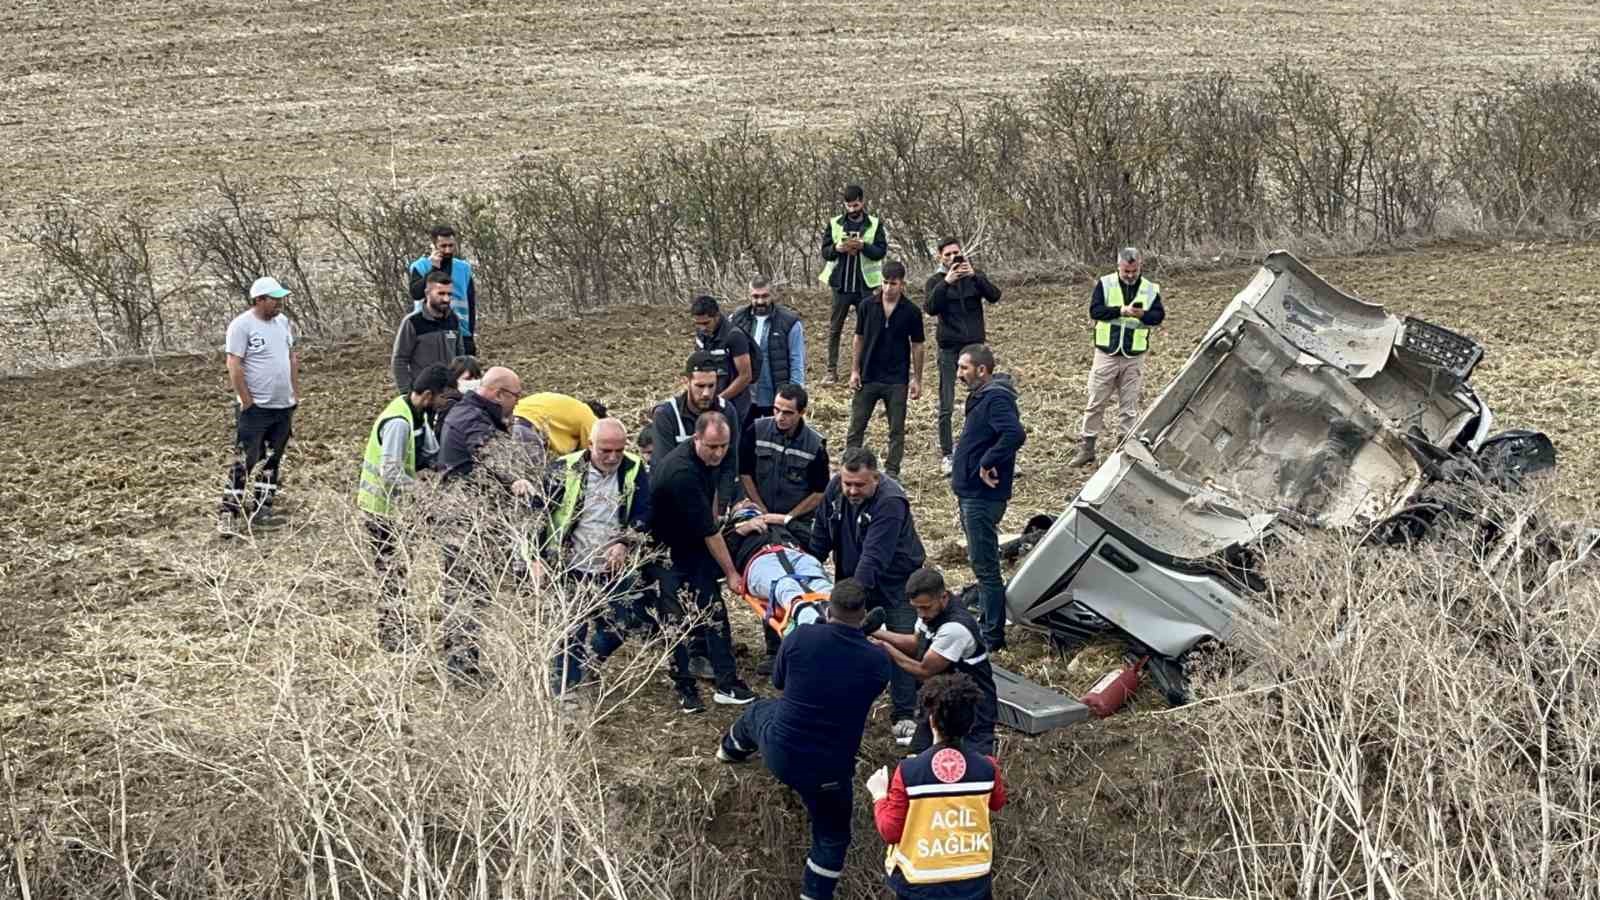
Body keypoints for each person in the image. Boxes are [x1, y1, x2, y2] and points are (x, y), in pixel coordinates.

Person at [717, 578, 894, 900]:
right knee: (832, 838)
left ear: (828, 609)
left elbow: (779, 682)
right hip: (831, 770)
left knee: (758, 712)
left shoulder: (801, 637)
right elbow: (862, 685)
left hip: (781, 751)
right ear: (864, 613)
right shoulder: (878, 661)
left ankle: (729, 751)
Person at [809, 447, 927, 745]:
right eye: (847, 483)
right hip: (852, 576)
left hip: (896, 582)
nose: (851, 490)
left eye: (859, 485)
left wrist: (846, 603)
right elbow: (822, 532)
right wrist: (808, 570)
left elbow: (875, 557)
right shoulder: (836, 488)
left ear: (876, 477)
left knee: (900, 643)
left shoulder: (891, 501)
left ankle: (903, 715)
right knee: (850, 640)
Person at [534, 418, 653, 696]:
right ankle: (567, 692)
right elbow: (537, 517)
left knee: (624, 622)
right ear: (590, 445)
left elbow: (645, 512)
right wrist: (537, 558)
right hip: (570, 563)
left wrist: (625, 542)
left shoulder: (634, 469)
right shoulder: (564, 469)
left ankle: (590, 659)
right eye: (605, 451)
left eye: (618, 451)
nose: (612, 458)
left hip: (612, 567)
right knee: (569, 632)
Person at [649, 411, 757, 712]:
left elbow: (709, 513)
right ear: (696, 439)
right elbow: (710, 532)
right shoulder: (681, 472)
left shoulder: (707, 460)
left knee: (713, 611)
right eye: (712, 446)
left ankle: (726, 683)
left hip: (691, 545)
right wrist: (732, 573)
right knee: (675, 620)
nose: (719, 453)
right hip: (664, 552)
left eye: (724, 446)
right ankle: (685, 688)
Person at [434, 366, 537, 683]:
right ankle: (460, 666)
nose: (517, 404)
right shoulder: (472, 419)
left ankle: (461, 658)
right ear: (498, 393)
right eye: (515, 397)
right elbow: (489, 452)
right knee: (467, 592)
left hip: (466, 518)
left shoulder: (472, 412)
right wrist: (516, 478)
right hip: (465, 523)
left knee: (468, 592)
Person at [869, 672, 1007, 900]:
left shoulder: (909, 771)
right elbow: (997, 802)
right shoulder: (988, 768)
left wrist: (879, 795)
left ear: (931, 720)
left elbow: (890, 831)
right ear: (971, 723)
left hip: (921, 884)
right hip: (973, 883)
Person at [355, 363, 453, 651]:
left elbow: (430, 452)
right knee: (390, 573)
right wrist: (421, 490)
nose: (443, 404)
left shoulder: (416, 413)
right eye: (441, 399)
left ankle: (400, 628)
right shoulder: (399, 422)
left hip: (396, 509)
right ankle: (390, 636)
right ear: (426, 395)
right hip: (381, 509)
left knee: (400, 572)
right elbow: (391, 472)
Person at [867, 568, 999, 757]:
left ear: (943, 597)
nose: (920, 614)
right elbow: (916, 644)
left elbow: (924, 671)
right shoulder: (931, 613)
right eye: (916, 608)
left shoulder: (954, 629)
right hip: (939, 701)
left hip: (970, 709)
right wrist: (875, 631)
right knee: (919, 756)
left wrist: (885, 648)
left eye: (925, 607)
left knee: (969, 766)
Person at [949, 344, 1025, 651]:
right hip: (971, 492)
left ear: (982, 369)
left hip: (982, 496)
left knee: (986, 567)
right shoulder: (983, 395)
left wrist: (987, 462)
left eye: (964, 368)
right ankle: (988, 622)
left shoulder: (995, 398)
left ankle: (992, 635)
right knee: (980, 563)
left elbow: (1014, 434)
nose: (959, 374)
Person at [1069, 246, 1166, 467]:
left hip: (1134, 355)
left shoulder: (1150, 289)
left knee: (1129, 406)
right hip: (1106, 353)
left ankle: (1124, 449)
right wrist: (1120, 311)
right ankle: (1087, 449)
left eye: (1134, 271)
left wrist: (1144, 315)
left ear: (1139, 266)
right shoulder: (1106, 284)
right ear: (1118, 267)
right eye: (1126, 272)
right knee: (1095, 402)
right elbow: (1095, 311)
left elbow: (1158, 316)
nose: (1130, 275)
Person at [218, 276, 300, 536]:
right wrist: (247, 401)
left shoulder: (283, 323)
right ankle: (229, 511)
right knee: (246, 459)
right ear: (259, 299)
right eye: (274, 299)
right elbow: (234, 364)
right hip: (256, 408)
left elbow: (291, 357)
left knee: (273, 458)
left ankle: (263, 509)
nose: (279, 303)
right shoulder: (241, 326)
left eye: (280, 298)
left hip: (282, 405)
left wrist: (294, 393)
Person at [923, 238, 1002, 476]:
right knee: (946, 403)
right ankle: (948, 453)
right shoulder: (935, 281)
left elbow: (994, 296)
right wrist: (947, 283)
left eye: (956, 253)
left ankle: (988, 450)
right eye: (947, 255)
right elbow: (930, 308)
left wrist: (975, 276)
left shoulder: (974, 276)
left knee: (986, 400)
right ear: (940, 257)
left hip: (975, 347)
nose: (953, 258)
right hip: (949, 349)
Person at [848, 261, 925, 479]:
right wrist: (854, 370)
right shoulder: (866, 305)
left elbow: (918, 345)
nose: (889, 288)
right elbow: (858, 338)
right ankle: (851, 467)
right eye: (885, 282)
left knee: (896, 430)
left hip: (897, 378)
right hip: (868, 375)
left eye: (893, 283)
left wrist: (917, 379)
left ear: (902, 284)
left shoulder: (911, 311)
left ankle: (892, 472)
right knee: (857, 426)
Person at [722, 503, 834, 638]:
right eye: (740, 504)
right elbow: (720, 560)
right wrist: (741, 531)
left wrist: (786, 521)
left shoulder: (777, 523)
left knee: (819, 582)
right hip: (760, 560)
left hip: (795, 553)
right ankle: (810, 620)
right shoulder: (729, 532)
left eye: (750, 501)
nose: (746, 500)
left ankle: (836, 616)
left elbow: (814, 540)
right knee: (784, 585)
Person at [739, 383, 828, 547]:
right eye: (776, 410)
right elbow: (745, 473)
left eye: (787, 413)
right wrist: (761, 508)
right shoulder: (756, 431)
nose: (780, 417)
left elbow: (819, 492)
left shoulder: (815, 446)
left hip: (797, 521)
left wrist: (788, 518)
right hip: (758, 513)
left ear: (802, 412)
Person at [651, 351, 742, 512]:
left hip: (716, 498)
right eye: (700, 386)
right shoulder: (667, 415)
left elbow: (730, 464)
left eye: (711, 385)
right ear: (686, 381)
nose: (706, 393)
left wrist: (720, 507)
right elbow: (663, 468)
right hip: (679, 498)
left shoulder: (727, 411)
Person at [818, 184, 889, 382]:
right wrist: (838, 248)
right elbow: (825, 251)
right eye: (849, 206)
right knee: (835, 328)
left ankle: (867, 367)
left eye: (856, 205)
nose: (852, 209)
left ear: (862, 202)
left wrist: (863, 246)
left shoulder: (875, 224)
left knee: (869, 327)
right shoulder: (834, 223)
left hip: (864, 286)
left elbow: (880, 252)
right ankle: (831, 370)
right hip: (841, 285)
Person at [729, 276, 806, 423]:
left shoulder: (789, 322)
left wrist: (794, 396)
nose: (760, 301)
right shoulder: (736, 319)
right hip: (745, 397)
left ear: (773, 294)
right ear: (749, 295)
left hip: (776, 397)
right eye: (755, 296)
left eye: (765, 296)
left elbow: (797, 360)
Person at [408, 224, 478, 355]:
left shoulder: (464, 268)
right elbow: (416, 293)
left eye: (451, 246)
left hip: (460, 331)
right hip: (428, 332)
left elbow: (471, 302)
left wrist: (470, 334)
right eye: (443, 246)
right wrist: (434, 269)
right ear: (434, 246)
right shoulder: (420, 266)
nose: (447, 250)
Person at [391, 271, 463, 394]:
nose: (446, 299)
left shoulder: (454, 320)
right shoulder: (412, 322)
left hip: (449, 393)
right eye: (441, 294)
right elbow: (399, 360)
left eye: (449, 294)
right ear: (427, 293)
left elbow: (460, 354)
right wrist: (407, 392)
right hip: (424, 394)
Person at [692, 295, 757, 425]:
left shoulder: (734, 336)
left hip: (734, 405)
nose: (702, 328)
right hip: (709, 401)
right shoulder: (701, 335)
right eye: (698, 324)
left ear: (716, 316)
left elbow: (745, 376)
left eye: (706, 323)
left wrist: (719, 399)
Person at [513, 392, 606, 460]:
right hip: (525, 430)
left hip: (506, 422)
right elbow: (594, 452)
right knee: (535, 479)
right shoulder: (589, 417)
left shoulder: (567, 406)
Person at [432, 355, 483, 433]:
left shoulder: (475, 401)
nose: (473, 382)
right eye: (468, 379)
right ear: (454, 378)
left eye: (476, 378)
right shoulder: (449, 403)